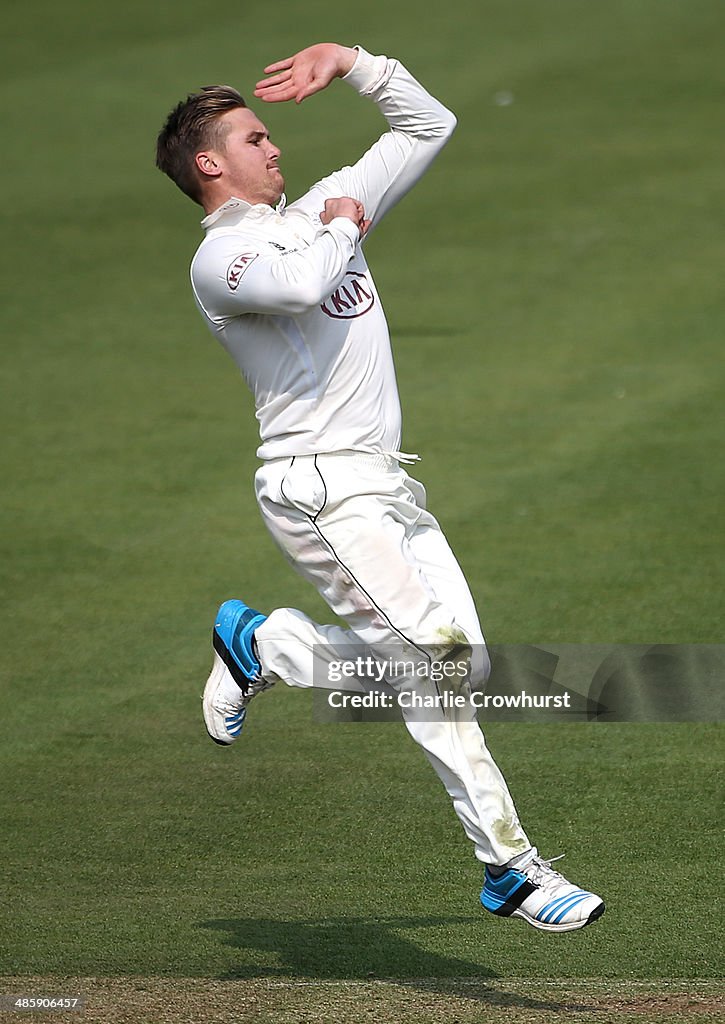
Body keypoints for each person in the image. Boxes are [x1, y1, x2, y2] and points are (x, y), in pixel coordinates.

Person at [156, 42, 605, 932]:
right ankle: (511, 867)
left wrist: (354, 62)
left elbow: (427, 123)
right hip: (317, 488)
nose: (274, 147)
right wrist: (346, 220)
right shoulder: (223, 261)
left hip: (386, 487)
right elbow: (302, 281)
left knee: (458, 670)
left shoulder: (324, 205)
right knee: (434, 671)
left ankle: (272, 647)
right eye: (254, 138)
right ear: (210, 164)